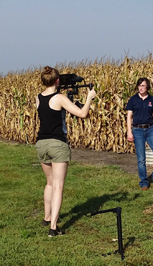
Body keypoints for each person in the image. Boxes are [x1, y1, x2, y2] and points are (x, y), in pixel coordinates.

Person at [35, 66, 96, 237]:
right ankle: (53, 227)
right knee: (58, 186)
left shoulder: (38, 98)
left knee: (49, 183)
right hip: (57, 144)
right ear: (57, 81)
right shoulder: (59, 98)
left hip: (41, 143)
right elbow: (83, 114)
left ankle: (47, 217)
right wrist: (90, 98)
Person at [126, 77, 153, 191]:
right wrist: (129, 131)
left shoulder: (152, 99)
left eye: (143, 86)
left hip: (150, 129)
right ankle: (144, 183)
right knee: (141, 158)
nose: (141, 88)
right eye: (139, 85)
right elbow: (129, 116)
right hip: (137, 130)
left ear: (147, 87)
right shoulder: (133, 99)